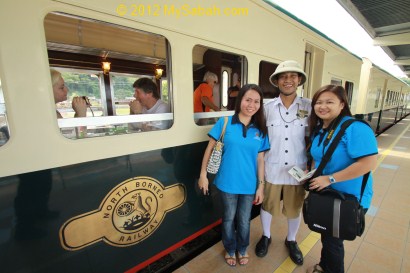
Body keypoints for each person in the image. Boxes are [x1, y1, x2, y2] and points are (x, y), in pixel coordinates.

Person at [305, 85, 377, 273]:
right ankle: (323, 266)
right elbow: (318, 159)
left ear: (342, 104)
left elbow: (368, 163)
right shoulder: (320, 129)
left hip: (348, 198)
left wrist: (330, 179)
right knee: (327, 235)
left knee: (333, 241)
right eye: (318, 102)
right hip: (328, 195)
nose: (323, 106)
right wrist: (310, 174)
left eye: (329, 102)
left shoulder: (355, 128)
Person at [198, 84, 270, 267]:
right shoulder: (225, 123)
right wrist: (203, 175)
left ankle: (242, 248)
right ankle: (230, 248)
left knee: (244, 220)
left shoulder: (260, 130)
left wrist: (261, 185)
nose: (251, 105)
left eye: (256, 101)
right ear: (240, 101)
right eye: (248, 100)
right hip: (227, 183)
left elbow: (261, 160)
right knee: (229, 218)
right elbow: (209, 149)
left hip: (248, 185)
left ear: (260, 105)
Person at [255, 60, 311, 266]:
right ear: (277, 81)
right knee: (267, 206)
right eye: (283, 76)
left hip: (297, 168)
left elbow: (312, 137)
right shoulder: (266, 107)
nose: (288, 80)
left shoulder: (309, 106)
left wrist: (311, 165)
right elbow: (259, 137)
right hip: (271, 167)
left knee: (294, 208)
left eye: (293, 76)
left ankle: (291, 240)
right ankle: (266, 236)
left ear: (298, 80)